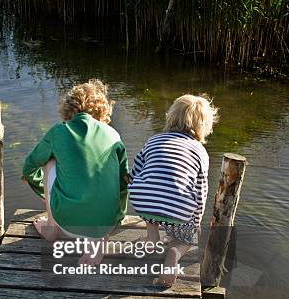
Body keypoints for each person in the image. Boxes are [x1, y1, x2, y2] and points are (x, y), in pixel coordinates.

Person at [22, 79, 129, 260]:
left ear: (68, 110)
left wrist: (43, 190)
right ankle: (99, 239)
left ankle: (51, 228)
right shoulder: (113, 135)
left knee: (50, 163)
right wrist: (117, 218)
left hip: (68, 225)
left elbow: (29, 167)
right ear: (102, 111)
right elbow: (124, 182)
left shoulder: (59, 131)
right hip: (107, 223)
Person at [128, 94, 219, 287]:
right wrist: (196, 223)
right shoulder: (199, 151)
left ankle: (152, 237)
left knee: (150, 192)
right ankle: (174, 253)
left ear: (171, 117)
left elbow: (135, 172)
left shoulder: (154, 140)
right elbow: (201, 191)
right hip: (177, 207)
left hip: (143, 201)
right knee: (187, 238)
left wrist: (139, 189)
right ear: (204, 126)